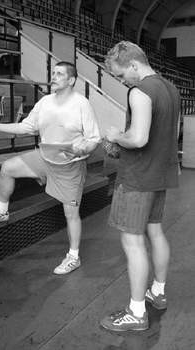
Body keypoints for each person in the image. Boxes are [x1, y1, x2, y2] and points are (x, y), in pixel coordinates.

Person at [0, 61, 100, 274]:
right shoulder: (45, 102)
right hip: (45, 158)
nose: (54, 77)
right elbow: (25, 127)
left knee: (71, 214)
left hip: (70, 166)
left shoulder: (82, 104)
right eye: (53, 73)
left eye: (59, 74)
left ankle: (73, 256)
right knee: (8, 168)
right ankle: (1, 211)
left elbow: (93, 139)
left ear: (71, 80)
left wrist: (83, 148)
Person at [100, 41, 180, 332]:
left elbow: (138, 139)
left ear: (134, 65)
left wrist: (115, 135)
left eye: (122, 75)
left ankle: (136, 312)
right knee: (155, 233)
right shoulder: (170, 88)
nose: (122, 81)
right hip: (160, 174)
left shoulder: (141, 90)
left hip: (137, 178)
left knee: (132, 242)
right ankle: (157, 292)